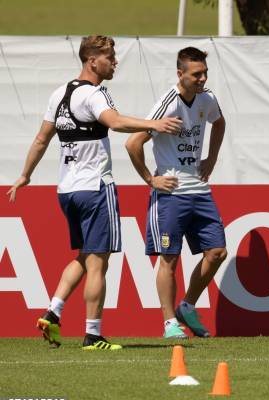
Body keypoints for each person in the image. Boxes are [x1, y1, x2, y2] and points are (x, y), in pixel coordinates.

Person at [6, 35, 182, 350]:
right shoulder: (95, 94)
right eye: (110, 57)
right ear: (92, 61)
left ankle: (52, 312)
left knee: (85, 256)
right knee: (99, 263)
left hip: (67, 190)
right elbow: (114, 123)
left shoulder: (60, 93)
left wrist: (24, 175)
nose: (114, 62)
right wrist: (153, 124)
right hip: (95, 188)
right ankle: (93, 335)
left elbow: (41, 138)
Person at [125, 47, 227, 339]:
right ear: (180, 74)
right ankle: (170, 322)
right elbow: (133, 143)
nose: (203, 78)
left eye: (205, 73)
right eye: (196, 74)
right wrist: (150, 180)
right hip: (170, 192)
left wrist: (212, 157)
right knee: (169, 258)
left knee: (217, 252)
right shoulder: (167, 104)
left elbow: (219, 122)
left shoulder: (207, 99)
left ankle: (187, 305)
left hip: (198, 189)